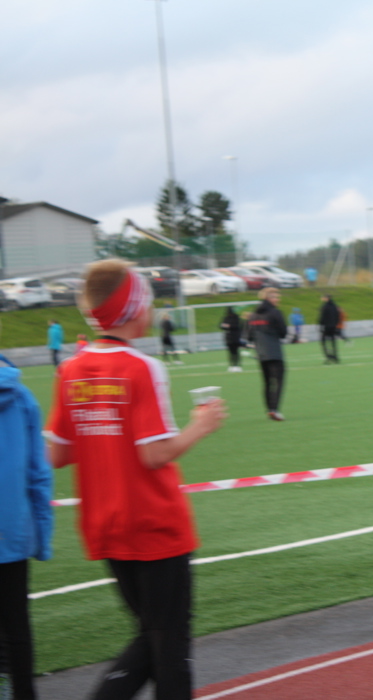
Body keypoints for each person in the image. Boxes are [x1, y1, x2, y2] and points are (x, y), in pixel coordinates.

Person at [44, 259, 226, 700]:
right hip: (154, 523)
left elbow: (57, 453)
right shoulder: (142, 368)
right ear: (135, 308)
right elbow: (153, 454)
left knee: (153, 634)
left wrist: (100, 434)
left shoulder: (71, 369)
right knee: (169, 645)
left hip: (105, 525)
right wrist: (200, 426)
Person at [0, 343, 53, 700]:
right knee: (16, 626)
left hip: (13, 532)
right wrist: (41, 536)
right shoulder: (21, 396)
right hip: (12, 531)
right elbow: (39, 473)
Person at [248, 288, 288, 421]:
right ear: (268, 298)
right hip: (274, 352)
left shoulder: (253, 314)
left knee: (266, 382)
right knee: (278, 381)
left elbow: (249, 335)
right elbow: (283, 333)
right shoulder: (275, 312)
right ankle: (274, 409)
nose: (278, 299)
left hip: (261, 354)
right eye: (275, 297)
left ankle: (269, 409)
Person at [219, 306, 243, 372]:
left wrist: (228, 326)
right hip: (228, 337)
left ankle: (237, 365)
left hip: (235, 337)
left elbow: (237, 326)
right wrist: (227, 326)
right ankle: (231, 365)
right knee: (230, 352)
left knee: (236, 352)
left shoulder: (236, 317)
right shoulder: (226, 318)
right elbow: (220, 325)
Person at [318, 295, 341, 364]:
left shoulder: (325, 307)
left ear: (326, 298)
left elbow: (322, 317)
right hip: (333, 326)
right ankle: (335, 356)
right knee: (333, 341)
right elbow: (337, 316)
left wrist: (321, 326)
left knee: (323, 341)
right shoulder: (334, 306)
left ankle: (328, 356)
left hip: (326, 327)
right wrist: (336, 324)